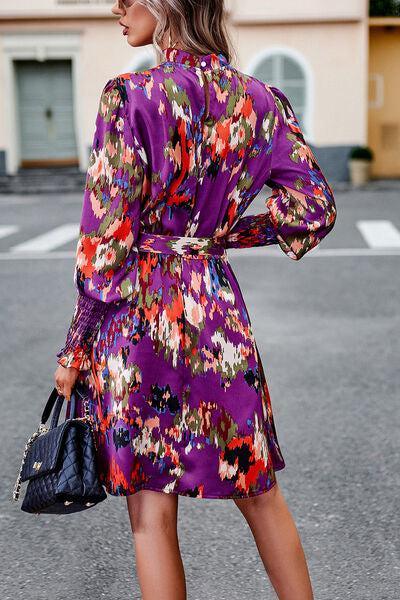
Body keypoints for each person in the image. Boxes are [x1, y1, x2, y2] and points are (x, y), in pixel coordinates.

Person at [54, 1, 337, 598]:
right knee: (258, 487)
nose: (116, 6)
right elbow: (315, 210)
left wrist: (76, 344)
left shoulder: (130, 97)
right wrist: (228, 235)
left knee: (150, 511)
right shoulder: (259, 101)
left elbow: (106, 245)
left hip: (138, 313)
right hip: (215, 307)